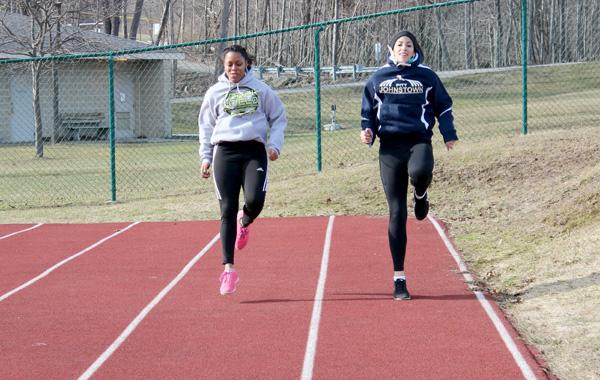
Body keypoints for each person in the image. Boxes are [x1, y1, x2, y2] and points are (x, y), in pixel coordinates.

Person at [360, 31, 458, 301]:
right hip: (390, 147)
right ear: (391, 48)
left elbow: (444, 106)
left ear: (415, 50)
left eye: (409, 44)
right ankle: (399, 279)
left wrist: (448, 134)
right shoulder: (378, 78)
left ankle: (421, 194)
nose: (404, 48)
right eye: (400, 44)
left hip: (418, 140)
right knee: (396, 213)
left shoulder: (426, 75)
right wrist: (367, 131)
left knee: (420, 172)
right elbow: (367, 113)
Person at [199, 45, 287, 296]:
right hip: (224, 152)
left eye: (238, 64)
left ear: (247, 63)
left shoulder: (261, 90)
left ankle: (245, 219)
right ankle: (228, 270)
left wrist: (275, 144)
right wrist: (205, 157)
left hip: (253, 151)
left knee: (254, 200)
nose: (234, 69)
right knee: (226, 209)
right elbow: (205, 127)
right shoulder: (215, 92)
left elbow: (279, 117)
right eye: (229, 65)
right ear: (223, 66)